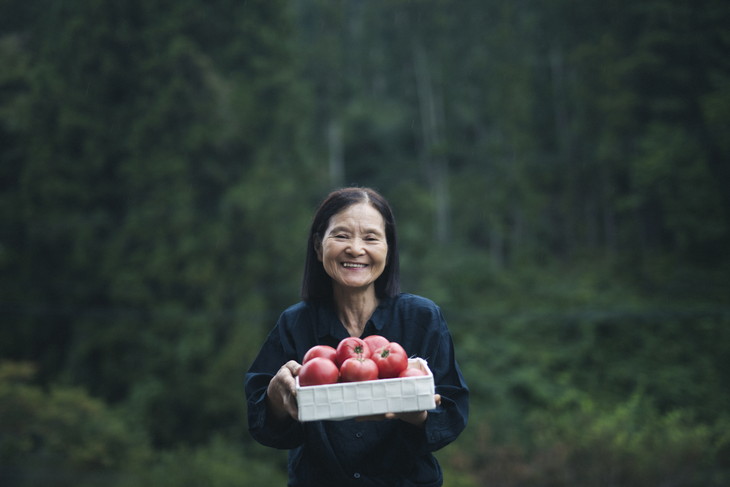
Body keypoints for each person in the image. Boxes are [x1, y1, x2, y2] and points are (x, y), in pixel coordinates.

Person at [245, 187, 469, 487]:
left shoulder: (422, 318)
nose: (355, 248)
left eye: (371, 238)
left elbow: (452, 411)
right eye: (341, 235)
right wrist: (275, 396)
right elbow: (264, 425)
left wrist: (417, 416)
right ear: (317, 245)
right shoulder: (294, 324)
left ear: (388, 249)